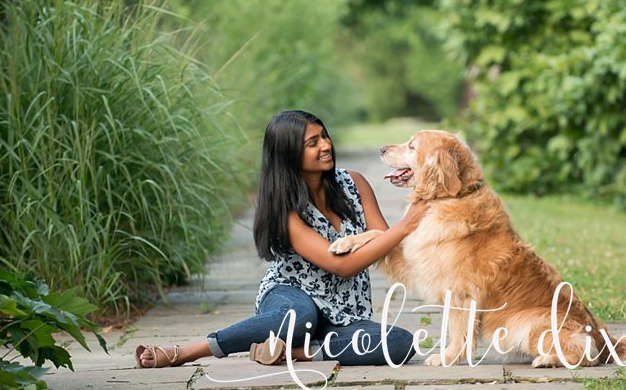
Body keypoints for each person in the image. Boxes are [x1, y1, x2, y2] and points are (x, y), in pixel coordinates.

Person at [134, 111, 424, 371]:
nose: (325, 145)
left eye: (324, 136)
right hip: (291, 297)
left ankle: (296, 352)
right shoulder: (284, 207)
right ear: (288, 154)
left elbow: (386, 246)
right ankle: (191, 350)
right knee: (299, 318)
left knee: (399, 342)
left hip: (344, 313)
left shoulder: (355, 182)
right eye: (312, 143)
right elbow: (343, 266)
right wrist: (406, 224)